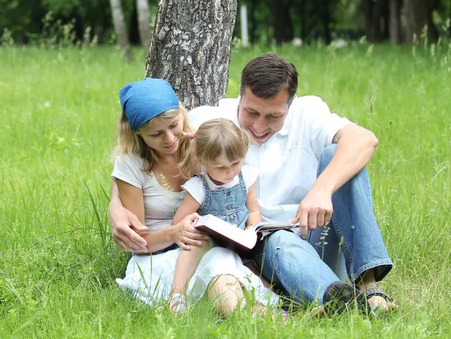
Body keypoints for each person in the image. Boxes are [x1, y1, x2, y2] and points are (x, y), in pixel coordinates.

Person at [110, 54, 395, 314]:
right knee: (280, 239)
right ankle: (338, 302)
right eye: (251, 113)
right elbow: (141, 160)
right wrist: (116, 204)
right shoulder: (208, 121)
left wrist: (322, 188)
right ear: (240, 97)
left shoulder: (309, 114)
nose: (259, 127)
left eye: (273, 116)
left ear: (291, 104)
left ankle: (369, 286)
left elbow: (364, 139)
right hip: (261, 250)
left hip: (313, 235)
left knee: (341, 157)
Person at [111, 77, 279, 316]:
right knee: (215, 262)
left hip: (209, 248)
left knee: (219, 260)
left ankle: (271, 318)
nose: (169, 139)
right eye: (156, 134)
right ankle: (271, 320)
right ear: (137, 133)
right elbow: (138, 243)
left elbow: (236, 170)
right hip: (159, 258)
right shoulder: (131, 166)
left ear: (181, 114)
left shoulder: (201, 144)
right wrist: (174, 233)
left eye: (173, 125)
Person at [168, 118, 263, 313]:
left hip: (239, 241)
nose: (229, 172)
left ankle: (272, 303)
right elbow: (179, 220)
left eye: (235, 163)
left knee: (256, 266)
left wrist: (252, 229)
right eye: (220, 167)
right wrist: (191, 221)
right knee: (193, 248)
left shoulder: (246, 178)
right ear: (203, 161)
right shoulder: (200, 187)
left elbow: (253, 210)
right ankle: (177, 296)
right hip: (209, 242)